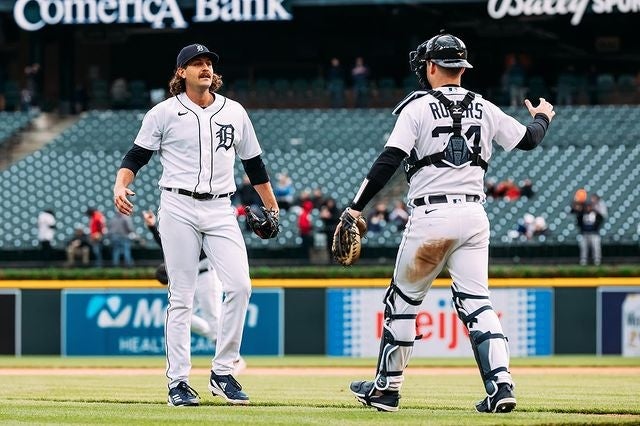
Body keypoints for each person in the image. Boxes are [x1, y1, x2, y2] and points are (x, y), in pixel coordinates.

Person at [343, 33, 555, 413]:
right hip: (474, 216)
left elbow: (389, 161)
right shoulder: (485, 107)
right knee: (477, 301)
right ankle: (501, 384)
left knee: (403, 302)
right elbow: (529, 140)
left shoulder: (418, 107)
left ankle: (387, 389)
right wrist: (541, 116)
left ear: (433, 67)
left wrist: (356, 207)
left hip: (431, 217)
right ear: (462, 67)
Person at [113, 43, 279, 407]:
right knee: (182, 297)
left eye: (208, 63)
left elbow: (254, 164)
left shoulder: (233, 111)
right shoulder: (163, 113)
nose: (204, 68)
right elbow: (136, 155)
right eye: (196, 63)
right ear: (181, 73)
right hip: (177, 205)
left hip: (221, 208)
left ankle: (223, 372)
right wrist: (121, 183)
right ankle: (178, 382)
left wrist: (272, 207)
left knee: (240, 287)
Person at [142, 210, 246, 374]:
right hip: (191, 278)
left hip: (206, 275)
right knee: (178, 315)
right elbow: (166, 243)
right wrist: (152, 227)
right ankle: (217, 342)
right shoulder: (180, 230)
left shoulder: (199, 221)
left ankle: (235, 358)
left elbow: (197, 245)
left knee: (213, 319)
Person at [319, 197, 341, 261]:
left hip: (335, 230)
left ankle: (337, 258)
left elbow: (337, 219)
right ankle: (330, 259)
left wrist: (329, 216)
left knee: (336, 245)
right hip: (328, 230)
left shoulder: (336, 210)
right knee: (329, 245)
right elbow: (323, 218)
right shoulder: (325, 209)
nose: (330, 204)